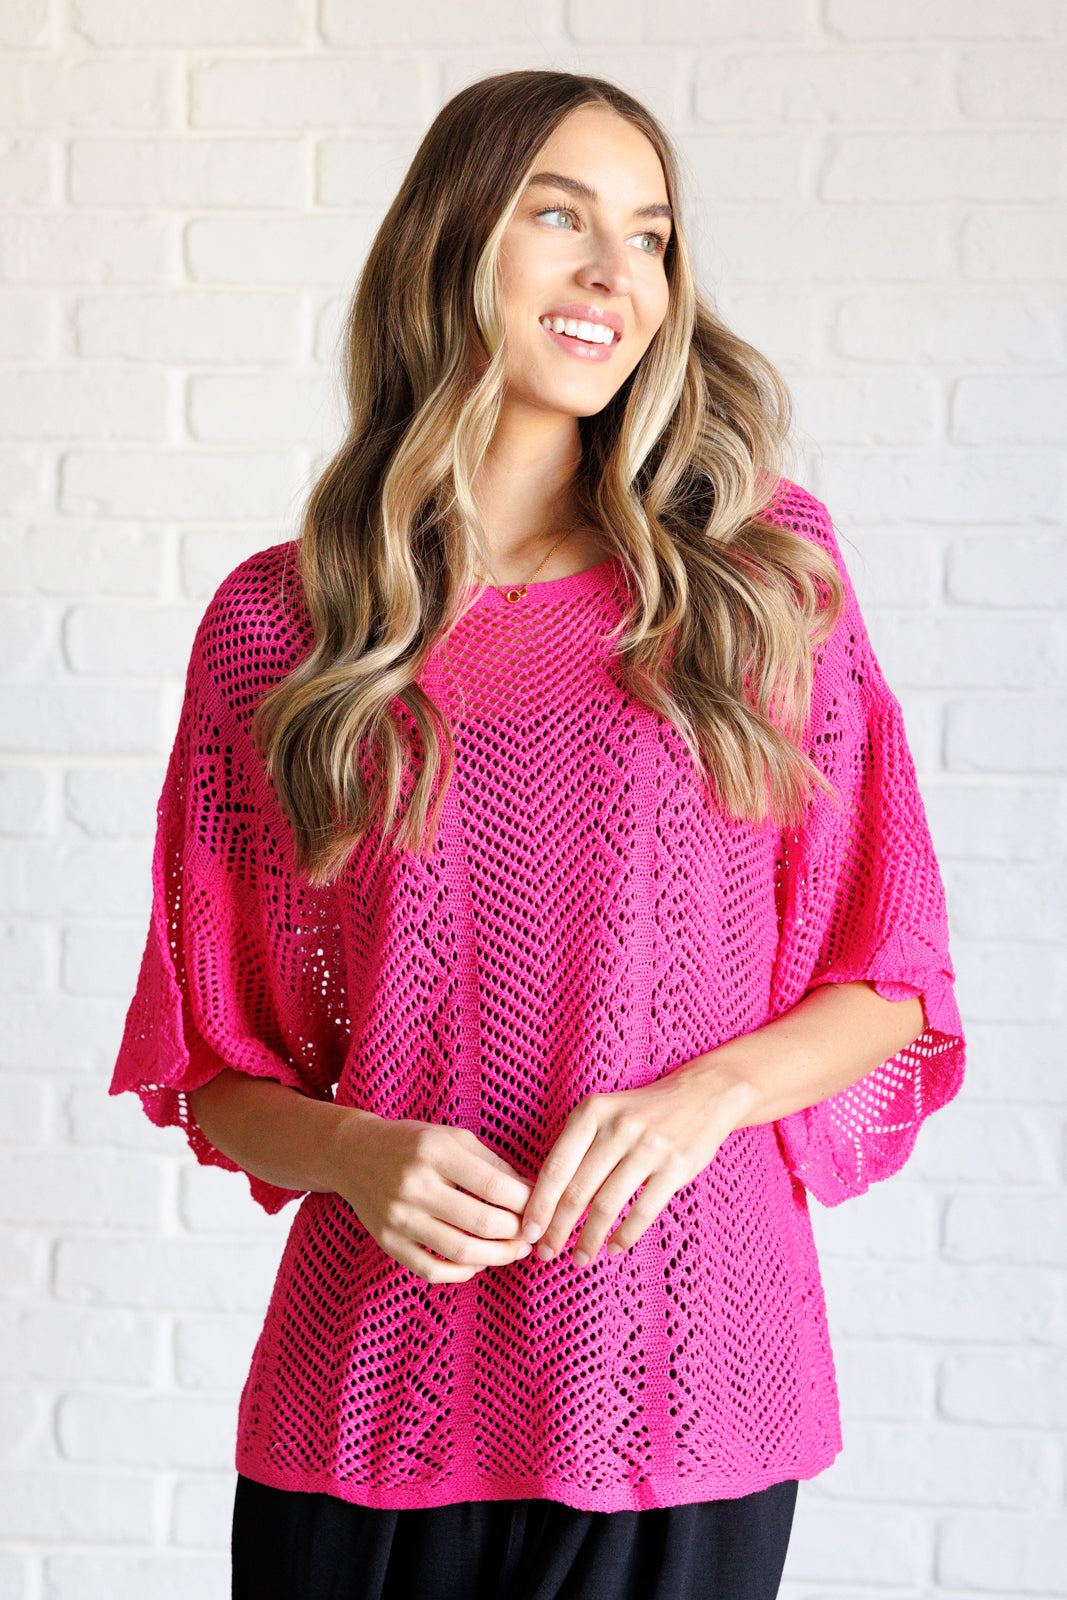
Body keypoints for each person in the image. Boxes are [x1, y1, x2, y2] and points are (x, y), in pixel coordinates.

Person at [110, 69, 966, 1600]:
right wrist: (356, 1151)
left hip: (686, 1380)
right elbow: (216, 1068)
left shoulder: (761, 581)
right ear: (452, 243)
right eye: (559, 216)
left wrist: (708, 1098)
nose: (613, 274)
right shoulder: (284, 626)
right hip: (372, 1396)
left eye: (649, 236)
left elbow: (891, 975)